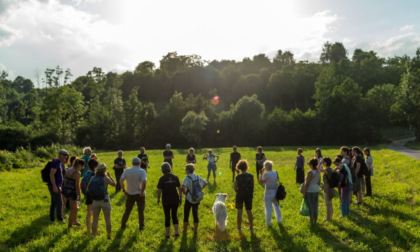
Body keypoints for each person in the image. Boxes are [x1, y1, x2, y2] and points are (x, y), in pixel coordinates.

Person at [89, 163, 116, 239]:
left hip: (95, 201)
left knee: (95, 219)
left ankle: (94, 235)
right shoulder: (105, 179)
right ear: (105, 170)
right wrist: (110, 176)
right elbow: (114, 184)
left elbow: (88, 189)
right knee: (107, 218)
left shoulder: (92, 178)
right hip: (105, 199)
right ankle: (109, 235)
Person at [120, 158, 147, 231]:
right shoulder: (142, 171)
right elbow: (144, 182)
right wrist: (142, 192)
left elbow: (121, 180)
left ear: (132, 163)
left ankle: (123, 225)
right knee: (141, 211)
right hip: (140, 194)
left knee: (127, 211)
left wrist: (124, 190)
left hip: (130, 194)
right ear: (140, 164)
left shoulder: (127, 170)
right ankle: (141, 226)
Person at [157, 162, 182, 238]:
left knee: (167, 216)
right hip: (175, 199)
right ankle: (176, 232)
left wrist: (158, 199)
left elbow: (159, 191)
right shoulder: (175, 177)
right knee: (174, 215)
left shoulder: (162, 179)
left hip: (166, 200)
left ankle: (167, 234)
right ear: (170, 168)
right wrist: (180, 198)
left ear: (162, 170)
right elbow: (180, 189)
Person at [181, 163, 208, 234]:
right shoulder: (197, 176)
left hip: (189, 198)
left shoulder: (187, 178)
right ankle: (195, 231)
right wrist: (200, 189)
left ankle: (185, 230)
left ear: (187, 170)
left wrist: (184, 192)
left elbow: (183, 186)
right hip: (197, 198)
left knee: (186, 214)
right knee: (195, 214)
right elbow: (205, 183)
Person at [63, 158, 85, 229]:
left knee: (75, 208)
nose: (83, 168)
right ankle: (69, 227)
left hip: (65, 190)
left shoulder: (68, 170)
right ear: (80, 165)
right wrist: (79, 195)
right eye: (82, 166)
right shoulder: (77, 173)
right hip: (72, 192)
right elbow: (76, 186)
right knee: (72, 210)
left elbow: (64, 180)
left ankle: (75, 220)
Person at [48, 149, 68, 224]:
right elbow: (51, 174)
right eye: (65, 156)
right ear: (60, 155)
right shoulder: (56, 163)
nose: (66, 158)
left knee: (53, 202)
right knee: (60, 203)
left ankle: (52, 219)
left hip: (57, 185)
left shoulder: (59, 162)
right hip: (54, 185)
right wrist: (55, 186)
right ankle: (60, 219)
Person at [259, 160, 282, 226]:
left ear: (266, 167)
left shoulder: (266, 174)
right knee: (277, 207)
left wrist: (262, 173)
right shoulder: (275, 172)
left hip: (268, 193)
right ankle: (279, 220)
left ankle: (268, 223)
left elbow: (261, 181)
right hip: (275, 192)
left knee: (268, 208)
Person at [234, 160, 254, 232]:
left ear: (239, 167)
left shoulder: (238, 177)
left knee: (239, 211)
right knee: (249, 211)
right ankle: (251, 227)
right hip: (248, 195)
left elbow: (235, 188)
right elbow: (252, 186)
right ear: (246, 167)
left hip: (240, 195)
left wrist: (238, 192)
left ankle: (239, 228)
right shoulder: (251, 176)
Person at [303, 158, 320, 224]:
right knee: (315, 205)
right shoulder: (318, 172)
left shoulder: (310, 172)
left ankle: (311, 219)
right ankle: (315, 219)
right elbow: (319, 182)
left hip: (310, 190)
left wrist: (304, 193)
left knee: (310, 205)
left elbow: (307, 184)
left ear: (311, 164)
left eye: (309, 164)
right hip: (316, 190)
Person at [318, 157, 334, 222]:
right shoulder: (331, 169)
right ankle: (330, 217)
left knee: (328, 204)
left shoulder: (327, 170)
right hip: (330, 188)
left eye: (323, 162)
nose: (322, 163)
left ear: (326, 163)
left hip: (327, 188)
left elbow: (319, 169)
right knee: (330, 203)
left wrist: (319, 163)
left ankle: (328, 218)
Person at [85, 159, 98, 235]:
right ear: (94, 166)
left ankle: (88, 230)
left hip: (87, 194)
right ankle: (94, 231)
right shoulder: (94, 174)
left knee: (89, 213)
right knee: (95, 214)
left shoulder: (86, 173)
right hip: (93, 195)